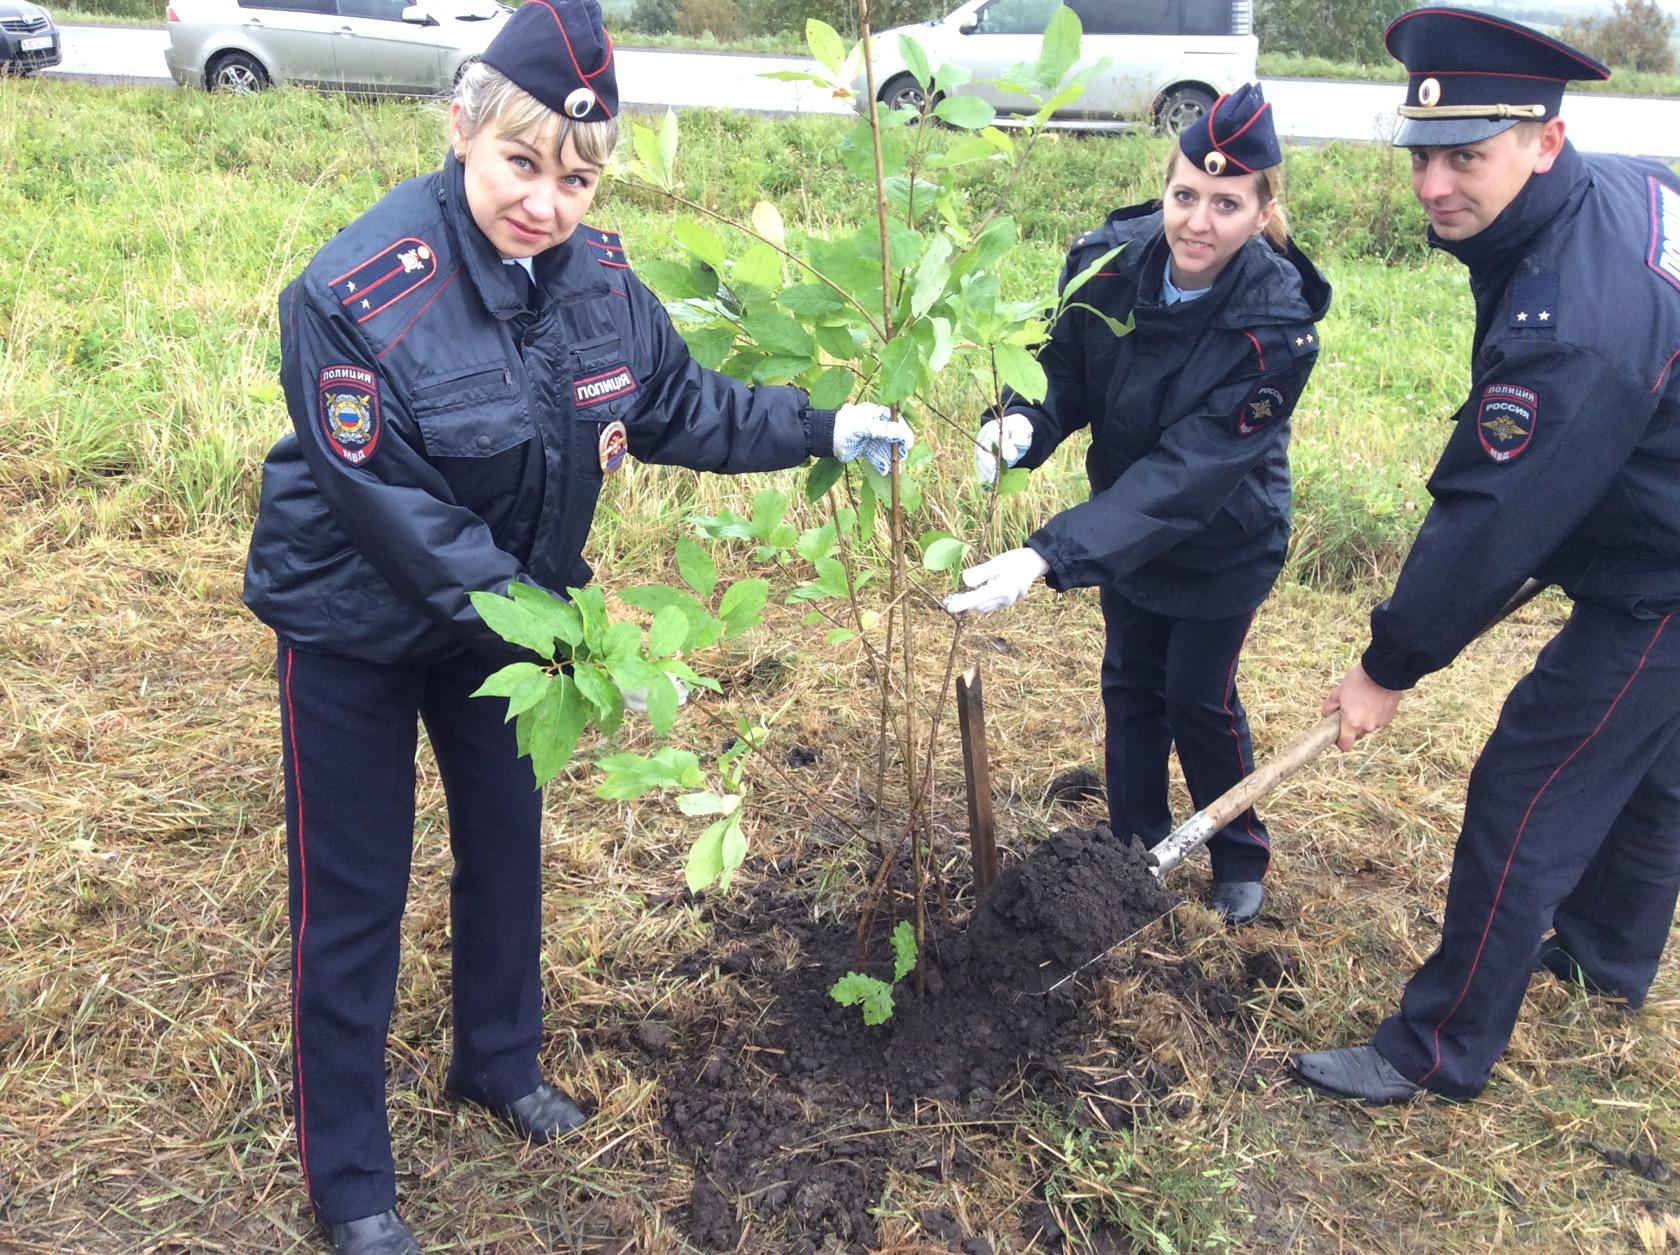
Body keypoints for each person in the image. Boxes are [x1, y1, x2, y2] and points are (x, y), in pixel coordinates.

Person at [241, 2, 913, 1248]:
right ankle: (353, 1185)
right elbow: (394, 514)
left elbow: (683, 404)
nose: (545, 203)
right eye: (520, 165)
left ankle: (496, 1062)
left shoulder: (598, 282)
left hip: (511, 616)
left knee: (506, 845)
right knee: (353, 895)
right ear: (461, 129)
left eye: (578, 177)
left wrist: (822, 425)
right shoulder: (353, 295)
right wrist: (557, 628)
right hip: (353, 622)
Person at [1292, 7, 1680, 1106]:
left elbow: (1488, 523)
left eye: (1467, 157)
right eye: (1423, 155)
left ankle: (1433, 1049)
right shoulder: (1624, 186)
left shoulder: (1570, 327)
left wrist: (1387, 667)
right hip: (1655, 515)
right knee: (1652, 773)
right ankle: (1607, 961)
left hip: (1663, 580)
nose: (1432, 185)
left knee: (1529, 786)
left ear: (1545, 142)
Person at [944, 85, 1331, 925]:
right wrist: (1018, 420)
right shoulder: (1109, 263)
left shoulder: (1277, 325)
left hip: (1223, 536)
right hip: (1125, 528)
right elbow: (1062, 366)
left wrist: (1049, 551)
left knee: (1198, 694)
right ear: (1165, 189)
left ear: (1264, 210)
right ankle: (1134, 851)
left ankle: (1235, 847)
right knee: (1129, 682)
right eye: (1185, 194)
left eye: (1227, 203)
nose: (1198, 220)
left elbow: (1190, 473)